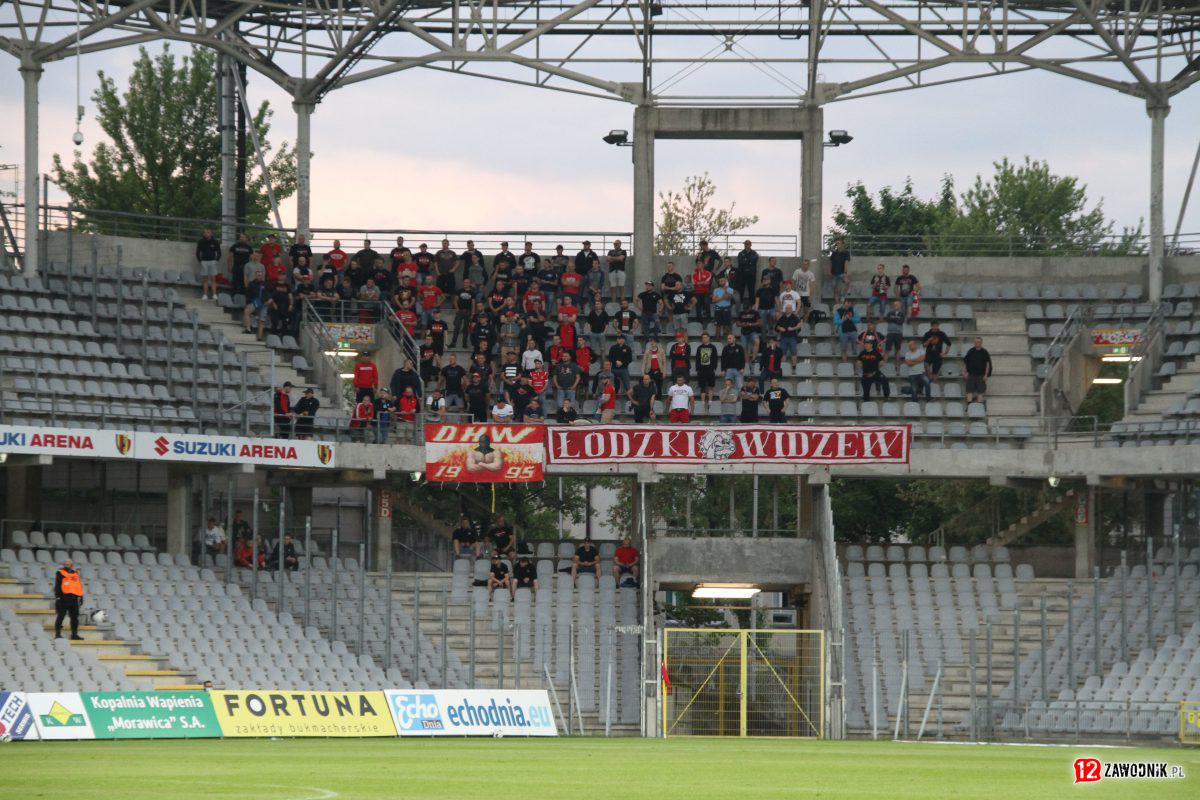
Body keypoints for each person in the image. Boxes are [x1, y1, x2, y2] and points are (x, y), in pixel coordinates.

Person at [53, 559, 85, 640]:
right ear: (64, 564)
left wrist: (81, 596)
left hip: (74, 598)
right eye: (66, 564)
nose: (67, 565)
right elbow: (57, 586)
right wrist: (58, 597)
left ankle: (74, 634)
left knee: (75, 617)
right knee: (61, 616)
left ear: (71, 565)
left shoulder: (75, 574)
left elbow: (78, 586)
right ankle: (57, 634)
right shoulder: (60, 573)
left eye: (69, 564)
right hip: (64, 598)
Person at [963, 336, 993, 404]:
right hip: (971, 374)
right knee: (969, 390)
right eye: (975, 342)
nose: (977, 343)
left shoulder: (984, 352)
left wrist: (986, 375)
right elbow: (966, 362)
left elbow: (988, 364)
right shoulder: (970, 351)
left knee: (980, 391)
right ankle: (969, 405)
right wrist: (965, 372)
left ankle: (979, 406)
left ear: (981, 343)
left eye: (978, 342)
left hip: (981, 375)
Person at [196, 228, 222, 301]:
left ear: (211, 234)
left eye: (208, 232)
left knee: (213, 278)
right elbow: (198, 252)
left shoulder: (215, 241)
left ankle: (214, 294)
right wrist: (200, 260)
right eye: (204, 232)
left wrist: (216, 260)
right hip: (204, 261)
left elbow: (219, 252)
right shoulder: (201, 241)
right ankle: (205, 295)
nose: (206, 233)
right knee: (205, 279)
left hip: (212, 261)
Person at [736, 239, 759, 305]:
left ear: (750, 245)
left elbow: (754, 260)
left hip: (751, 275)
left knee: (751, 290)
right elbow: (741, 262)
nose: (746, 245)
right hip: (742, 274)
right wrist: (749, 262)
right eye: (745, 244)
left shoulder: (754, 253)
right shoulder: (740, 253)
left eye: (748, 244)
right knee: (741, 290)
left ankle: (752, 305)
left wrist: (746, 261)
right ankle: (740, 304)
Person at [829, 238, 851, 304]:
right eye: (837, 243)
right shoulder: (834, 253)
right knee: (835, 290)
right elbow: (831, 262)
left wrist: (845, 273)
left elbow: (846, 263)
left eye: (839, 243)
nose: (837, 244)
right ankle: (837, 304)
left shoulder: (846, 253)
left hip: (841, 273)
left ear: (842, 244)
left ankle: (843, 296)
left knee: (847, 282)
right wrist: (829, 271)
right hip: (834, 273)